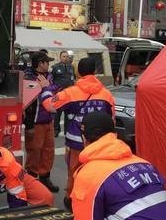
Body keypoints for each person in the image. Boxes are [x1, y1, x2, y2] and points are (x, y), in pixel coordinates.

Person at [42, 57, 115, 210]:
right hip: (100, 144)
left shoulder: (70, 93)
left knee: (74, 172)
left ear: (78, 72)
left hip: (76, 142)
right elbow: (111, 121)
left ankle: (72, 200)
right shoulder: (106, 94)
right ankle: (94, 200)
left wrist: (46, 89)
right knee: (97, 172)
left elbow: (49, 106)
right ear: (95, 72)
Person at [24, 51, 60, 192]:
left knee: (48, 151)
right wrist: (29, 126)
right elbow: (27, 104)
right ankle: (31, 182)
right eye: (47, 62)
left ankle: (45, 177)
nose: (49, 64)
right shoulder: (29, 78)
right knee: (34, 152)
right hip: (35, 122)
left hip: (48, 120)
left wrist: (50, 88)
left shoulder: (49, 76)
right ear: (40, 63)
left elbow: (55, 91)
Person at [51, 50, 75, 137]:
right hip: (59, 94)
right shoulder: (55, 67)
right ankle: (56, 130)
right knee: (57, 113)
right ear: (60, 57)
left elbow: (73, 79)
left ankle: (67, 130)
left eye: (66, 56)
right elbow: (51, 80)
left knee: (68, 114)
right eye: (63, 56)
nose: (65, 58)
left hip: (69, 95)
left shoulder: (71, 67)